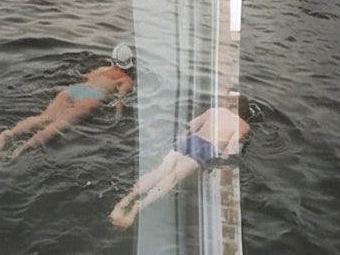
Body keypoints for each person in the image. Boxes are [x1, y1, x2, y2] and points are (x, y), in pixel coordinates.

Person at [109, 93, 256, 229]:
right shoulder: (243, 125)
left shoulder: (214, 111)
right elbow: (230, 150)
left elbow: (190, 126)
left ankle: (125, 201)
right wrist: (214, 166)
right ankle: (136, 209)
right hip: (207, 148)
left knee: (159, 171)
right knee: (173, 179)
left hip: (190, 141)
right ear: (244, 113)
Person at [0, 42, 135, 156]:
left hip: (75, 89)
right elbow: (119, 100)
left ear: (113, 59)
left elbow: (84, 77)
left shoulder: (102, 69)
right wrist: (117, 117)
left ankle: (8, 134)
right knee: (56, 126)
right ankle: (19, 152)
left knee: (43, 118)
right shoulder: (126, 80)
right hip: (92, 97)